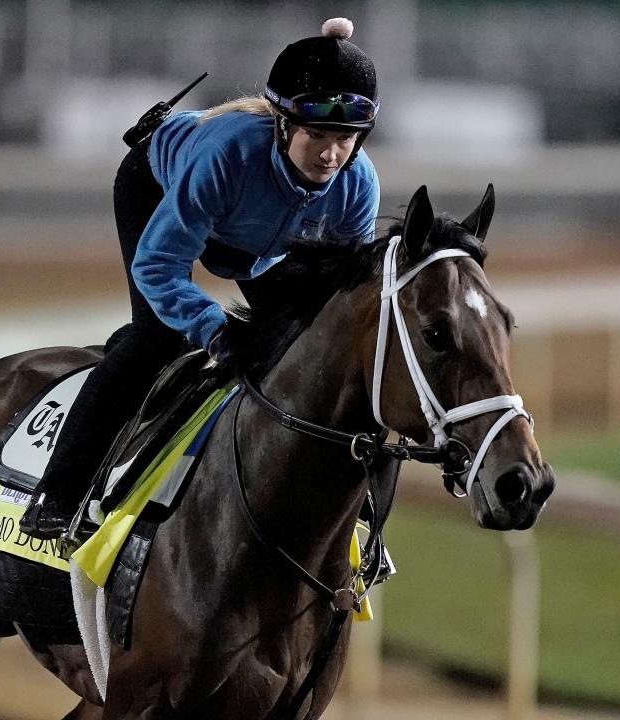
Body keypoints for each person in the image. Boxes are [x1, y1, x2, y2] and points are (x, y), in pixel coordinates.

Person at [21, 17, 381, 539]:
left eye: (346, 138)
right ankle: (57, 492)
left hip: (254, 236)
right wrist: (213, 328)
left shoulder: (357, 183)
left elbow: (341, 298)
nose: (331, 155)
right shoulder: (227, 153)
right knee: (157, 337)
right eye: (318, 135)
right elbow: (158, 266)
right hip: (157, 185)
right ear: (282, 123)